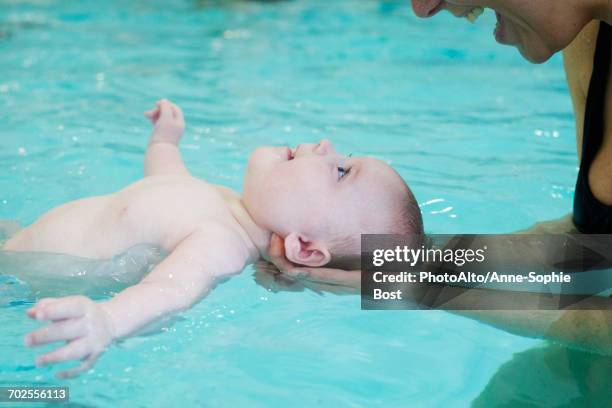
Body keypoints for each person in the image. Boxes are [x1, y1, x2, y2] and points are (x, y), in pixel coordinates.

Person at [264, 0, 612, 354]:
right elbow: (597, 247)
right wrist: (398, 263)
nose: (422, 8)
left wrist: (421, 289)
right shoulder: (590, 37)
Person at [1, 99, 423, 378]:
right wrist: (165, 142)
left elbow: (168, 291)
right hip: (22, 244)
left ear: (305, 248)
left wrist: (108, 321)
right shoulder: (223, 205)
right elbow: (166, 183)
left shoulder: (220, 245)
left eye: (341, 170)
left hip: (19, 281)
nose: (328, 145)